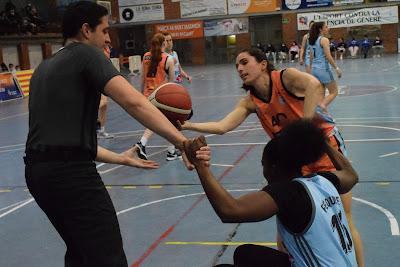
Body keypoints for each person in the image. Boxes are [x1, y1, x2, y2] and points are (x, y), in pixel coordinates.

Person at [24, 2, 194, 266]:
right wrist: (182, 142)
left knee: (80, 253)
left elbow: (57, 142)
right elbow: (135, 102)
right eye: (104, 30)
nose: (108, 39)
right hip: (72, 176)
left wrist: (121, 158)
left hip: (38, 175)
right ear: (85, 30)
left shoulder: (42, 70)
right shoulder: (87, 54)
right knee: (107, 255)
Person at [178, 47, 365, 267]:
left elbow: (314, 85)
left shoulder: (285, 78)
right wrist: (187, 125)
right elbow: (222, 126)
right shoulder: (250, 101)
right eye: (237, 65)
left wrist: (305, 126)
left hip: (324, 148)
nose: (239, 68)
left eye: (245, 62)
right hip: (294, 160)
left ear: (263, 64)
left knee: (342, 218)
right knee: (287, 228)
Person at [184, 120, 359, 267]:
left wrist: (201, 167)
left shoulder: (289, 193)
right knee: (246, 254)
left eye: (263, 165)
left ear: (273, 167)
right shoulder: (324, 181)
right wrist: (322, 142)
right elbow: (351, 175)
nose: (264, 171)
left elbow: (230, 211)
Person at [134, 32, 177, 161]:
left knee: (169, 122)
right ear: (164, 43)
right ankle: (142, 143)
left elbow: (142, 77)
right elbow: (171, 82)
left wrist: (141, 94)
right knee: (164, 123)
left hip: (147, 95)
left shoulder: (146, 56)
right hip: (161, 96)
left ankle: (171, 151)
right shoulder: (168, 59)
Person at [309, 21, 342, 111]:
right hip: (324, 69)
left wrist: (310, 70)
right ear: (321, 29)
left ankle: (323, 117)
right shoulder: (324, 40)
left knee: (321, 96)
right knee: (334, 92)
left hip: (314, 70)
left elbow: (311, 57)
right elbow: (328, 56)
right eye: (326, 27)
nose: (328, 28)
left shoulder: (312, 40)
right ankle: (319, 108)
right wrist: (337, 68)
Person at [97, 41, 114, 139]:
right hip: (98, 77)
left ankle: (101, 130)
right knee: (103, 102)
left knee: (105, 104)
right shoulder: (98, 49)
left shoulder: (107, 47)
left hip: (104, 77)